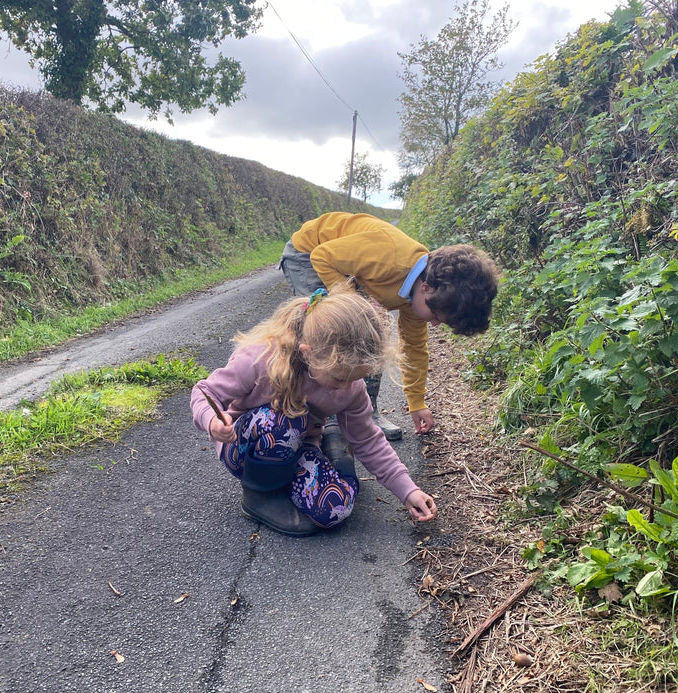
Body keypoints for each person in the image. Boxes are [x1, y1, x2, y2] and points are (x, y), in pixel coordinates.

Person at [190, 286, 437, 537]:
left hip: (301, 447)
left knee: (335, 510)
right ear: (308, 353)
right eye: (339, 378)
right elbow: (204, 392)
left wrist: (408, 491)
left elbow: (368, 440)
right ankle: (259, 496)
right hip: (246, 447)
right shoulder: (260, 358)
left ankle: (338, 456)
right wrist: (212, 420)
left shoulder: (352, 388)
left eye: (354, 379)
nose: (345, 387)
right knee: (286, 422)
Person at [279, 211, 500, 439]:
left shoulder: (421, 294)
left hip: (345, 265)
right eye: (436, 316)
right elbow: (322, 256)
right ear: (426, 288)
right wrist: (354, 305)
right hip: (308, 253)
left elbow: (414, 348)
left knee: (373, 333)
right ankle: (308, 412)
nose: (433, 324)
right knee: (328, 331)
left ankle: (366, 413)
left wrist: (417, 402)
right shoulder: (391, 258)